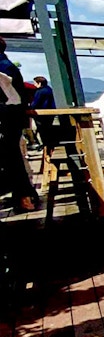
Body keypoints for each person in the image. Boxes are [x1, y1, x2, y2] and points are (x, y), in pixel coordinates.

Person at [0, 37, 37, 211]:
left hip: (7, 118)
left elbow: (13, 97)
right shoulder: (6, 65)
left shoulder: (4, 67)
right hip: (10, 118)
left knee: (11, 159)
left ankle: (25, 197)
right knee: (12, 158)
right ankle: (24, 196)